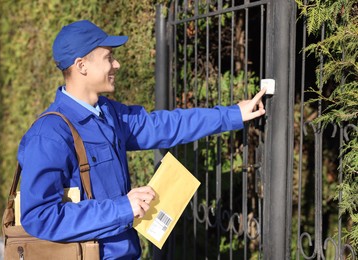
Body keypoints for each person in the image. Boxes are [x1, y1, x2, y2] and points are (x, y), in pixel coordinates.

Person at [18, 19, 266, 259]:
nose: (116, 65)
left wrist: (233, 114)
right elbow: (39, 216)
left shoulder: (109, 113)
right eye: (108, 58)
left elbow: (166, 125)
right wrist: (123, 208)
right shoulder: (49, 134)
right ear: (82, 65)